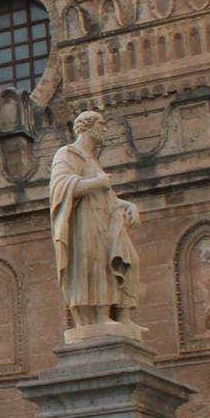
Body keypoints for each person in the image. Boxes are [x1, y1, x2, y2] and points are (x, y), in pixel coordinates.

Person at [48, 110, 142, 330]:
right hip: (84, 221)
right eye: (100, 124)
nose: (105, 129)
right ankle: (100, 317)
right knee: (96, 265)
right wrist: (96, 183)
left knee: (129, 261)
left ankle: (124, 318)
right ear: (87, 127)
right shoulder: (67, 153)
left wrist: (129, 205)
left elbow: (108, 197)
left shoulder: (92, 161)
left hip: (105, 218)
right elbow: (60, 186)